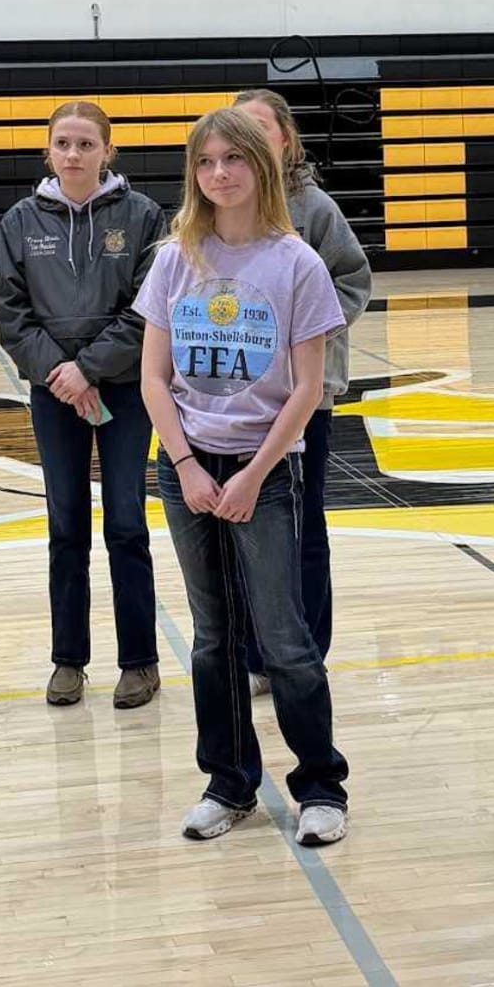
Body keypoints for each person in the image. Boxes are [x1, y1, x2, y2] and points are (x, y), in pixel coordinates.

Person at [134, 108, 350, 845]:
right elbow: (153, 379)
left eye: (233, 158)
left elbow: (308, 388)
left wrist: (256, 474)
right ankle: (228, 785)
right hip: (187, 468)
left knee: (284, 638)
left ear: (262, 165)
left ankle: (320, 786)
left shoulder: (297, 263)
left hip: (267, 471)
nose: (219, 173)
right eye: (205, 160)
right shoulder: (175, 259)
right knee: (212, 637)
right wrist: (186, 465)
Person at [0, 102, 168, 709]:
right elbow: (13, 317)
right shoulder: (19, 221)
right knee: (66, 525)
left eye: (86, 144)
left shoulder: (143, 215)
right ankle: (68, 661)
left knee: (126, 523)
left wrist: (88, 368)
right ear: (48, 151)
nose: (73, 154)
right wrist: (62, 375)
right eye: (63, 143)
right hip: (54, 392)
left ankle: (140, 662)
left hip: (124, 388)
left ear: (107, 152)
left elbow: (148, 310)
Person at [232, 89, 372, 697]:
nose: (251, 140)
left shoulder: (314, 208)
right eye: (239, 129)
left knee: (303, 523)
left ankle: (308, 649)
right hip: (237, 395)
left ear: (286, 139)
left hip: (305, 395)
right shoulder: (223, 207)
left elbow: (354, 279)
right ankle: (256, 652)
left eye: (262, 128)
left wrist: (304, 332)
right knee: (246, 525)